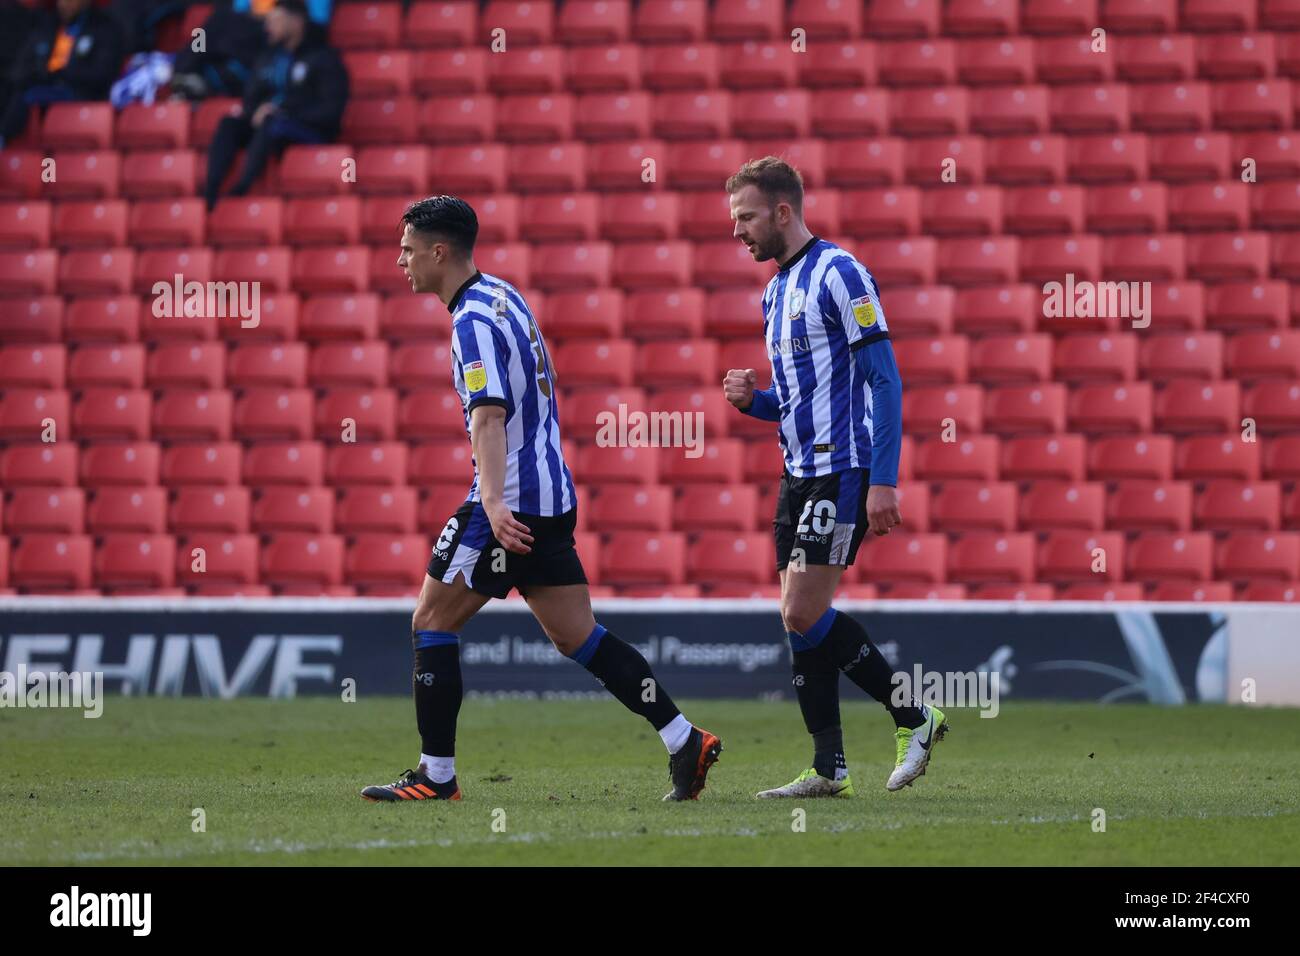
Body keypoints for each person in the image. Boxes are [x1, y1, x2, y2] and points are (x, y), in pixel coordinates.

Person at [360, 195, 724, 803]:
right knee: (578, 636)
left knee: (430, 621)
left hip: (512, 503)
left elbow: (490, 414)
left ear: (438, 250)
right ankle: (684, 738)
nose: (400, 259)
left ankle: (436, 777)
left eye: (407, 248)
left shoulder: (471, 320)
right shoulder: (504, 294)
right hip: (553, 497)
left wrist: (495, 505)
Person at [721, 156, 949, 798]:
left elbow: (885, 378)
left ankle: (914, 713)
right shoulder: (773, 290)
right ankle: (828, 768)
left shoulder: (840, 273)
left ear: (783, 211)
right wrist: (753, 400)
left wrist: (884, 479)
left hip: (842, 469)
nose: (737, 231)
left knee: (800, 608)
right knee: (797, 618)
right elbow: (793, 399)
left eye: (746, 217)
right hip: (796, 473)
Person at [202, 0, 346, 210]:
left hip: (308, 128)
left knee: (272, 121)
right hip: (271, 125)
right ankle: (210, 191)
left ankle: (243, 187)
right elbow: (252, 96)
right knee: (229, 124)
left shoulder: (324, 58)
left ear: (296, 22)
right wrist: (256, 111)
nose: (268, 26)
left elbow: (331, 110)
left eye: (276, 20)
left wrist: (285, 112)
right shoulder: (269, 57)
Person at [0, 0, 124, 149]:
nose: (65, 4)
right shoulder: (48, 25)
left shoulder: (104, 28)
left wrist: (62, 74)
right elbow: (23, 66)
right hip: (46, 87)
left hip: (81, 92)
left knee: (28, 96)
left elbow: (102, 73)